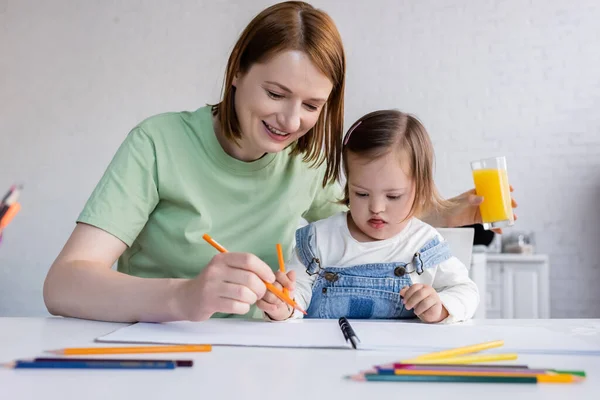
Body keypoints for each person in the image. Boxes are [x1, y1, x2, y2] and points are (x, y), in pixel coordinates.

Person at [43, 1, 515, 323]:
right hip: (160, 352)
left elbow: (371, 212)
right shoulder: (158, 142)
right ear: (236, 73)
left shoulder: (307, 162)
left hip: (264, 354)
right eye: (275, 93)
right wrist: (183, 296)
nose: (291, 121)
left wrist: (450, 212)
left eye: (312, 106)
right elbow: (63, 285)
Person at [262, 110, 479, 323]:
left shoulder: (424, 245)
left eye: (393, 196)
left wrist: (440, 306)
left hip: (397, 356)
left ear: (420, 189)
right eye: (362, 194)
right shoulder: (318, 239)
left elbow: (465, 290)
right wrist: (283, 305)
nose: (376, 207)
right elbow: (296, 292)